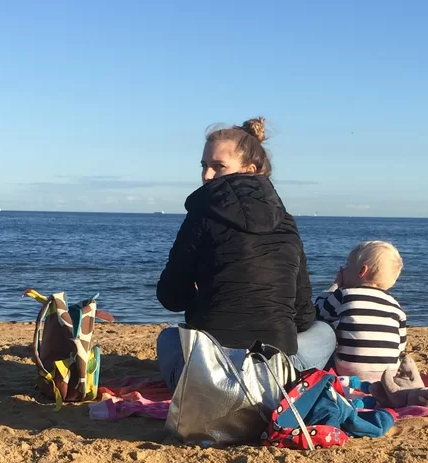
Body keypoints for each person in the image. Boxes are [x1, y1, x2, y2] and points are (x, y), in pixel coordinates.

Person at [155, 119, 335, 390]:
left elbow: (171, 297)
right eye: (204, 166)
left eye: (218, 166)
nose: (207, 176)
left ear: (250, 170)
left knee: (168, 338)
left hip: (212, 377)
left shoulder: (200, 217)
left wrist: (204, 299)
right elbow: (301, 315)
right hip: (276, 376)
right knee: (324, 332)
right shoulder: (286, 223)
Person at [314, 240, 407, 382]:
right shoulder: (395, 306)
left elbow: (319, 310)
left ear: (362, 271)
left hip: (348, 369)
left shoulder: (345, 294)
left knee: (324, 330)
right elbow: (401, 345)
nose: (343, 270)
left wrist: (335, 286)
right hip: (388, 373)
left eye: (347, 265)